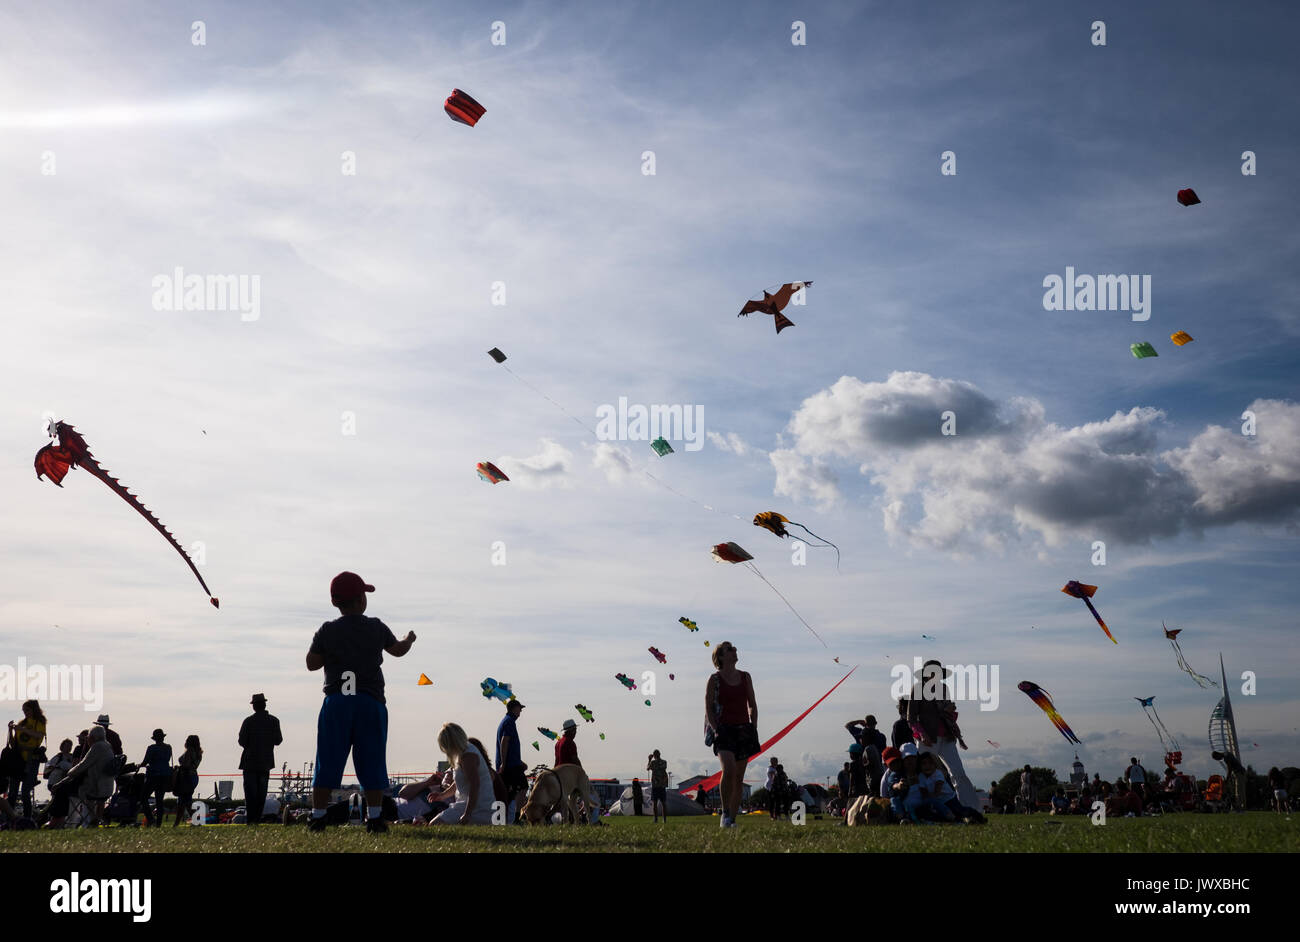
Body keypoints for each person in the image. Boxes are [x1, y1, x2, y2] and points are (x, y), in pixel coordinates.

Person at [306, 571, 415, 834]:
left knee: (328, 759)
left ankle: (318, 816)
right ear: (360, 600)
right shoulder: (375, 626)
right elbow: (397, 650)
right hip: (369, 701)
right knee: (372, 759)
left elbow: (311, 663)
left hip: (337, 702)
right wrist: (409, 640)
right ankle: (375, 818)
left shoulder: (327, 630)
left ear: (336, 603)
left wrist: (335, 652)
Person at [907, 660, 980, 811]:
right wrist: (922, 735)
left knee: (958, 773)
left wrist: (950, 710)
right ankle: (919, 808)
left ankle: (970, 809)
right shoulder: (917, 688)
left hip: (947, 736)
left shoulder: (944, 688)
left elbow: (948, 713)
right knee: (922, 775)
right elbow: (911, 718)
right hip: (927, 739)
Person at [705, 641, 758, 829]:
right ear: (720, 657)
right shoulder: (714, 679)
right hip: (724, 729)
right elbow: (709, 708)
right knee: (728, 769)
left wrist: (754, 725)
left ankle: (732, 820)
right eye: (730, 649)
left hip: (744, 729)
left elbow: (751, 703)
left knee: (738, 777)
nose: (735, 651)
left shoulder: (745, 677)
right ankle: (725, 813)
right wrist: (715, 728)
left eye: (735, 648)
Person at [429, 723, 494, 825]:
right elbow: (460, 783)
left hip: (478, 808)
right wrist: (442, 795)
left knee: (435, 824)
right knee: (435, 824)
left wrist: (467, 814)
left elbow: (474, 785)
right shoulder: (464, 752)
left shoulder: (468, 756)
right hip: (468, 805)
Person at [52, 725, 115, 826]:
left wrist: (69, 772)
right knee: (65, 787)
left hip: (95, 787)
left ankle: (58, 820)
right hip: (106, 787)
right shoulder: (107, 746)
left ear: (93, 738)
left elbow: (83, 765)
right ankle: (95, 818)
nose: (87, 740)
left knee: (62, 790)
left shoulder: (97, 747)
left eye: (88, 737)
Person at [238, 693, 283, 826]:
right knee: (261, 794)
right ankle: (256, 819)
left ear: (254, 707)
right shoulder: (274, 721)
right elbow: (278, 740)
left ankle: (251, 820)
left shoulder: (248, 721)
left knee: (250, 794)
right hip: (265, 762)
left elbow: (242, 741)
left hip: (249, 762)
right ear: (264, 705)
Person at [6, 700, 46, 820]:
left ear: (34, 709)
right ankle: (8, 819)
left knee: (25, 792)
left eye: (27, 710)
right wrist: (11, 731)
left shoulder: (39, 722)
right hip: (18, 760)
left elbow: (39, 736)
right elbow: (14, 744)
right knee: (12, 792)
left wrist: (22, 730)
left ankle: (28, 819)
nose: (25, 713)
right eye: (24, 711)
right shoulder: (21, 723)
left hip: (31, 760)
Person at [495, 699, 528, 822]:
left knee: (507, 794)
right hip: (510, 765)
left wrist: (520, 762)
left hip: (510, 763)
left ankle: (499, 819)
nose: (520, 712)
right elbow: (505, 741)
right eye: (520, 709)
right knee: (523, 786)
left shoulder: (506, 721)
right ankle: (516, 818)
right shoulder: (509, 722)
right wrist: (504, 762)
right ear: (514, 708)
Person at [140, 729, 173, 827]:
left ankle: (150, 819)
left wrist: (140, 765)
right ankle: (158, 823)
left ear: (154, 738)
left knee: (143, 797)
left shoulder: (151, 748)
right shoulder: (168, 748)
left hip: (153, 776)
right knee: (159, 800)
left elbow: (145, 761)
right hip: (165, 776)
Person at [41, 739, 76, 829]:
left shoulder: (72, 757)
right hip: (55, 782)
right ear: (62, 746)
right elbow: (49, 767)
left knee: (61, 801)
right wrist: (58, 767)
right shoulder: (58, 757)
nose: (68, 748)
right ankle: (52, 819)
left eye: (70, 746)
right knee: (57, 801)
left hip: (65, 783)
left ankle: (59, 820)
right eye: (66, 745)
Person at [172, 735, 203, 826]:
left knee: (185, 802)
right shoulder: (198, 753)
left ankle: (196, 822)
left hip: (186, 777)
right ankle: (177, 824)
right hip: (193, 776)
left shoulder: (189, 752)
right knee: (184, 802)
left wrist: (177, 767)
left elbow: (186, 765)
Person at [647, 750, 669, 822]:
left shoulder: (653, 762)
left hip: (655, 785)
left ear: (654, 755)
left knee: (655, 803)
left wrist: (650, 759)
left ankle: (656, 819)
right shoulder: (664, 762)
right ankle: (664, 819)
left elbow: (648, 768)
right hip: (662, 785)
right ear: (660, 754)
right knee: (663, 803)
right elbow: (664, 769)